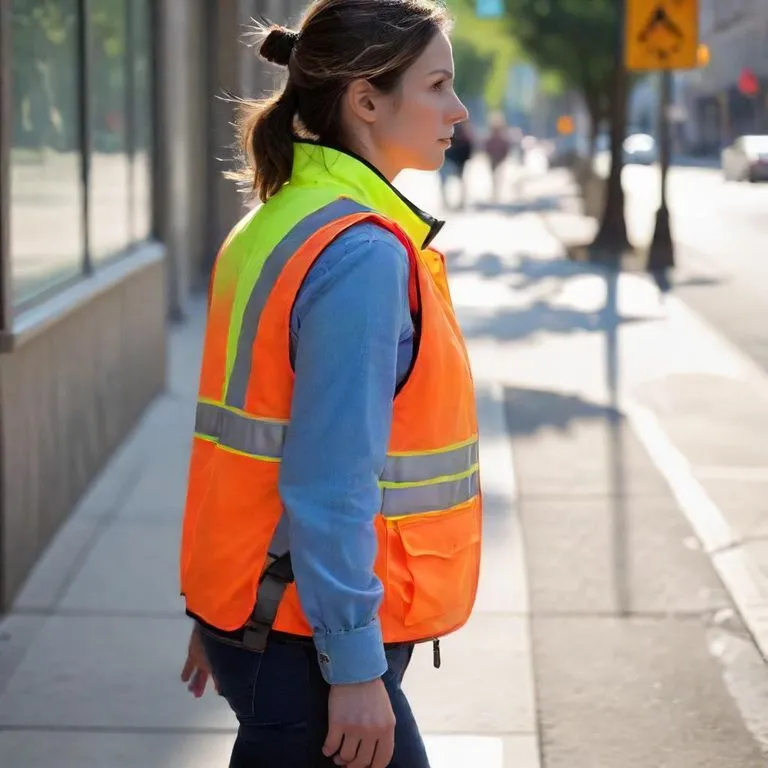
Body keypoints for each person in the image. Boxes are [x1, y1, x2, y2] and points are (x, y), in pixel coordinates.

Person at [178, 1, 483, 766]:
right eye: (438, 84)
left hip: (264, 619)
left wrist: (225, 613)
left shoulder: (277, 219)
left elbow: (247, 439)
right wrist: (353, 667)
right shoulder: (360, 253)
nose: (459, 108)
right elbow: (330, 480)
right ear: (366, 100)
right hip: (309, 642)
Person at [438, 119, 473, 209]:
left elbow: (467, 148)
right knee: (453, 183)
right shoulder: (459, 133)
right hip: (450, 161)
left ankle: (457, 202)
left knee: (451, 183)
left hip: (454, 161)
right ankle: (451, 202)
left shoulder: (460, 133)